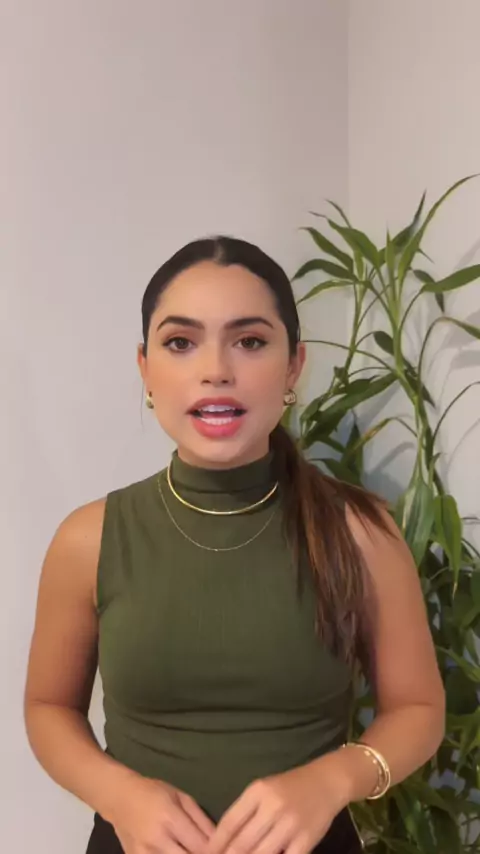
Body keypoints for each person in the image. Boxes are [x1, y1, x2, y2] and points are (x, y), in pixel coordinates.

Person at [24, 236, 445, 854]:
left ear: (294, 365)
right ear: (145, 368)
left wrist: (331, 781)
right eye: (181, 342)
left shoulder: (360, 533)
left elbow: (419, 709)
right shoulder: (88, 538)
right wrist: (120, 796)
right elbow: (47, 707)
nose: (216, 369)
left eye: (249, 341)